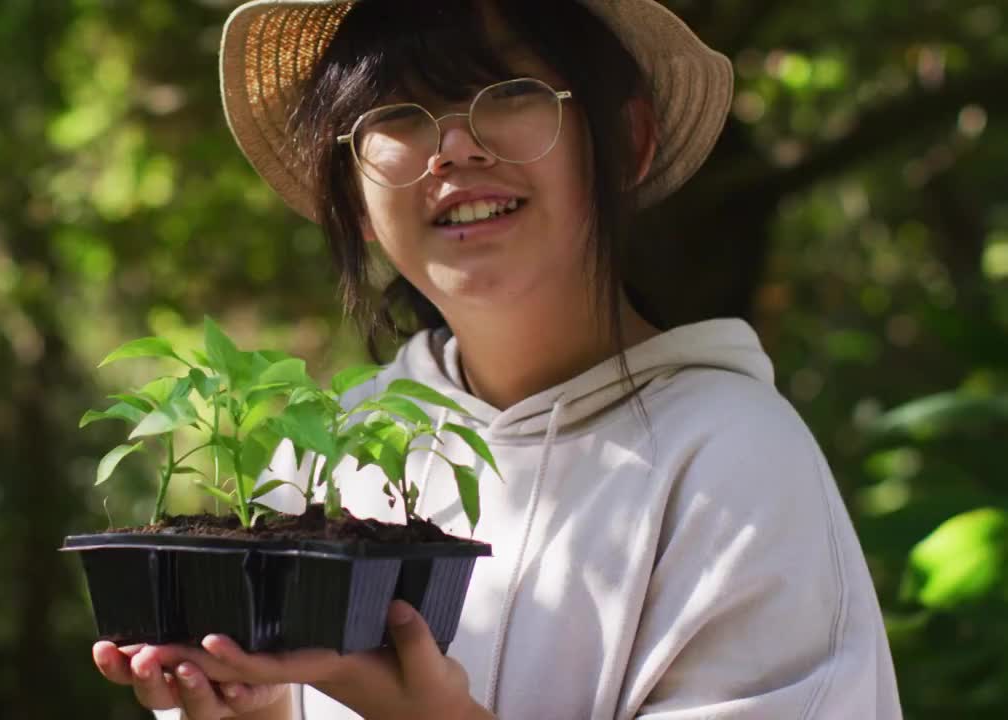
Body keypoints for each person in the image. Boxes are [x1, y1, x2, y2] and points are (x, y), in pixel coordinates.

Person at [92, 0, 904, 718]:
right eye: (397, 115)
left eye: (510, 92)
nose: (450, 150)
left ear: (628, 141)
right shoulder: (324, 452)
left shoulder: (735, 459)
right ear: (354, 199)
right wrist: (255, 712)